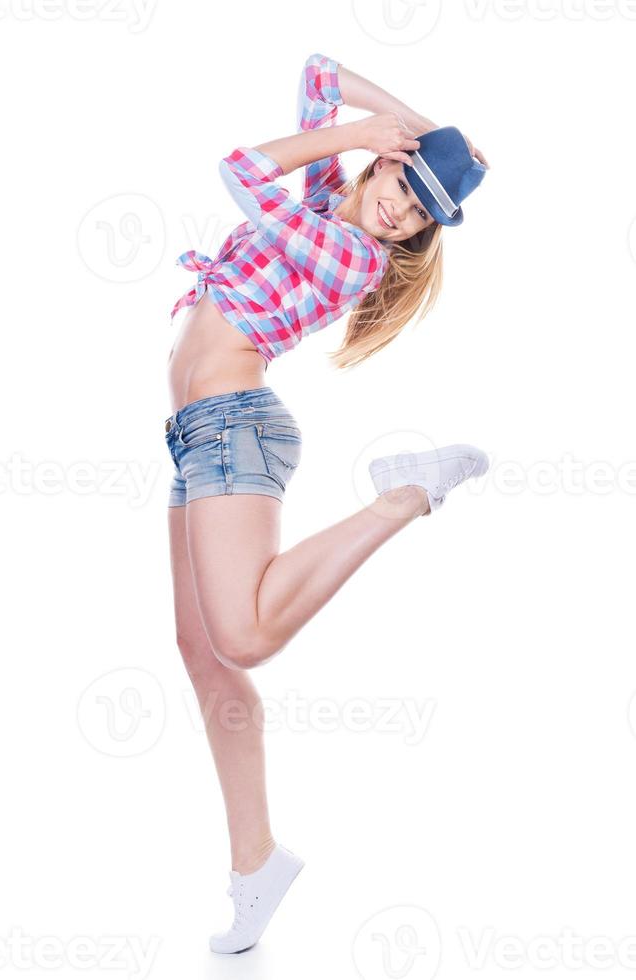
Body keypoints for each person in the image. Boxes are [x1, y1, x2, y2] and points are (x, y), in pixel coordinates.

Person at [164, 52, 491, 955]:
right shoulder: (321, 205)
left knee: (245, 638)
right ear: (386, 165)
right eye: (405, 185)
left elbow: (239, 170)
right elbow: (320, 73)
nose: (403, 210)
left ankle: (403, 497)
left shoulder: (348, 252)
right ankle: (255, 866)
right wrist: (418, 128)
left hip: (236, 428)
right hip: (197, 437)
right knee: (206, 657)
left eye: (422, 211)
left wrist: (363, 138)